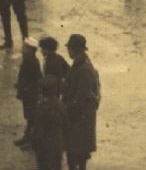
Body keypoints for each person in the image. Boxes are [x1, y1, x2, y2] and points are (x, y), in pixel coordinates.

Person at [63, 34, 100, 170]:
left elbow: (81, 97)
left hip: (78, 117)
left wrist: (67, 110)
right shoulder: (82, 63)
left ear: (73, 49)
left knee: (75, 153)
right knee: (79, 152)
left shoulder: (84, 69)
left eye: (69, 48)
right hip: (81, 116)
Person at [32, 75, 67, 170]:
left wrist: (35, 143)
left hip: (43, 146)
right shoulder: (60, 105)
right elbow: (65, 124)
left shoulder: (41, 107)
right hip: (57, 144)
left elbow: (38, 130)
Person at [16, 37, 43, 149]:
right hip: (27, 92)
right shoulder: (28, 60)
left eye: (25, 48)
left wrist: (26, 88)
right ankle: (27, 137)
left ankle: (31, 140)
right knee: (29, 117)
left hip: (31, 94)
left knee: (32, 117)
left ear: (31, 50)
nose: (23, 50)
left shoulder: (32, 62)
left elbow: (36, 79)